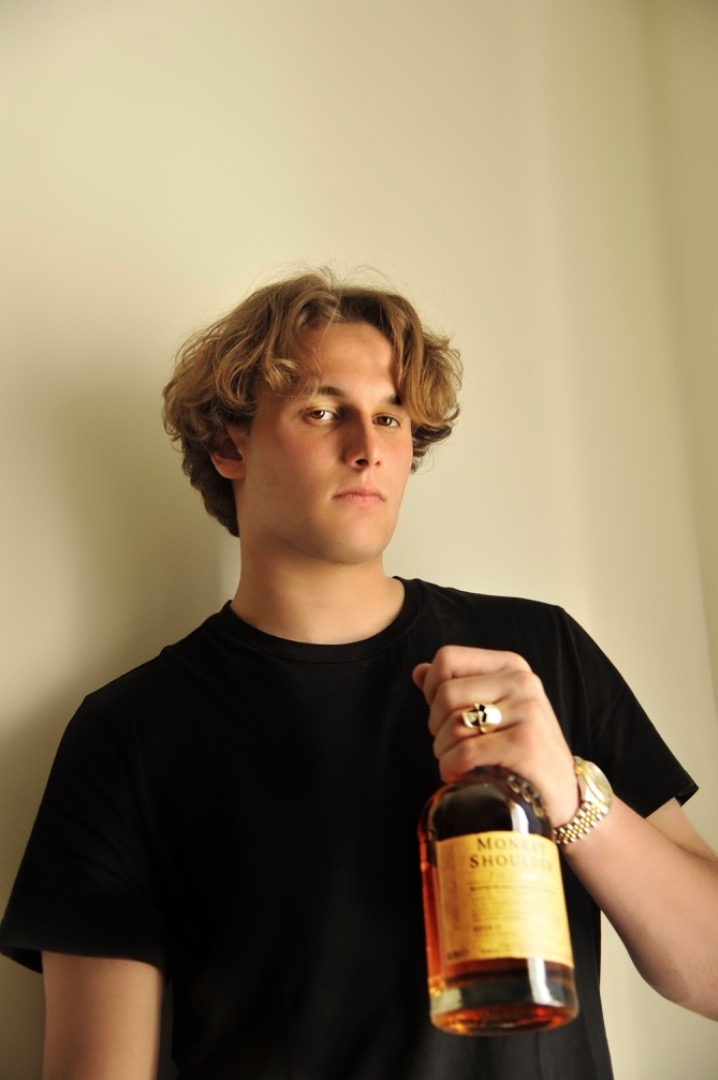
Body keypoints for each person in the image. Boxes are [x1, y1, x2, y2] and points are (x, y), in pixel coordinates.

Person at [1, 269, 717, 1080]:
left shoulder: (536, 655)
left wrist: (573, 797)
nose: (368, 447)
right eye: (322, 411)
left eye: (390, 416)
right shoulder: (130, 734)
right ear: (230, 447)